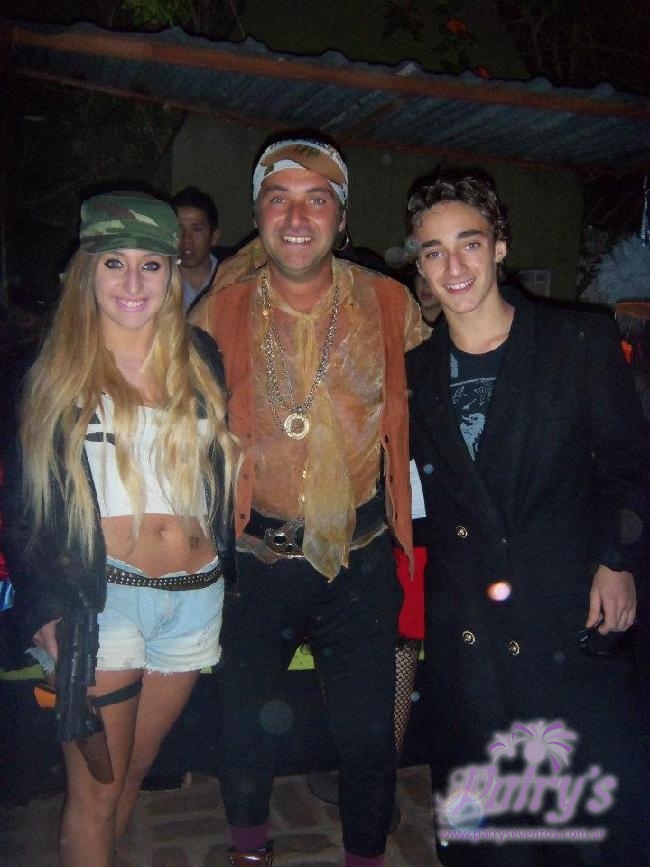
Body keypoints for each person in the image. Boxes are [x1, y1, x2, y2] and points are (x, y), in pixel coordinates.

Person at [190, 135, 430, 867]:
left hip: (359, 560)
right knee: (243, 728)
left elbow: (441, 399)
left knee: (368, 738)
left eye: (316, 199)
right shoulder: (217, 311)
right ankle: (249, 851)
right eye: (279, 199)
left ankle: (365, 856)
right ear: (258, 215)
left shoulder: (389, 303)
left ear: (341, 217)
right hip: (254, 560)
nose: (297, 217)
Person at [405, 169, 650, 866]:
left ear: (500, 246)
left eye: (469, 243)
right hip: (468, 625)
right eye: (434, 251)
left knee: (589, 815)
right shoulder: (413, 373)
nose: (454, 266)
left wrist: (617, 560)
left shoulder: (578, 341)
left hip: (564, 607)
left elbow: (630, 464)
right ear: (420, 263)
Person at [1, 191, 237, 867]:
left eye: (150, 265)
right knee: (97, 789)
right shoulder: (50, 368)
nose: (133, 282)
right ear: (87, 271)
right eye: (114, 263)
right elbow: (23, 503)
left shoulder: (200, 356)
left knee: (134, 767)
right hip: (102, 597)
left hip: (195, 596)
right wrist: (44, 603)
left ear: (171, 272)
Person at [172, 186, 221, 312]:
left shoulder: (232, 278)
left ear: (214, 237)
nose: (186, 239)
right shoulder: (161, 282)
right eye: (179, 229)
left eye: (197, 229)